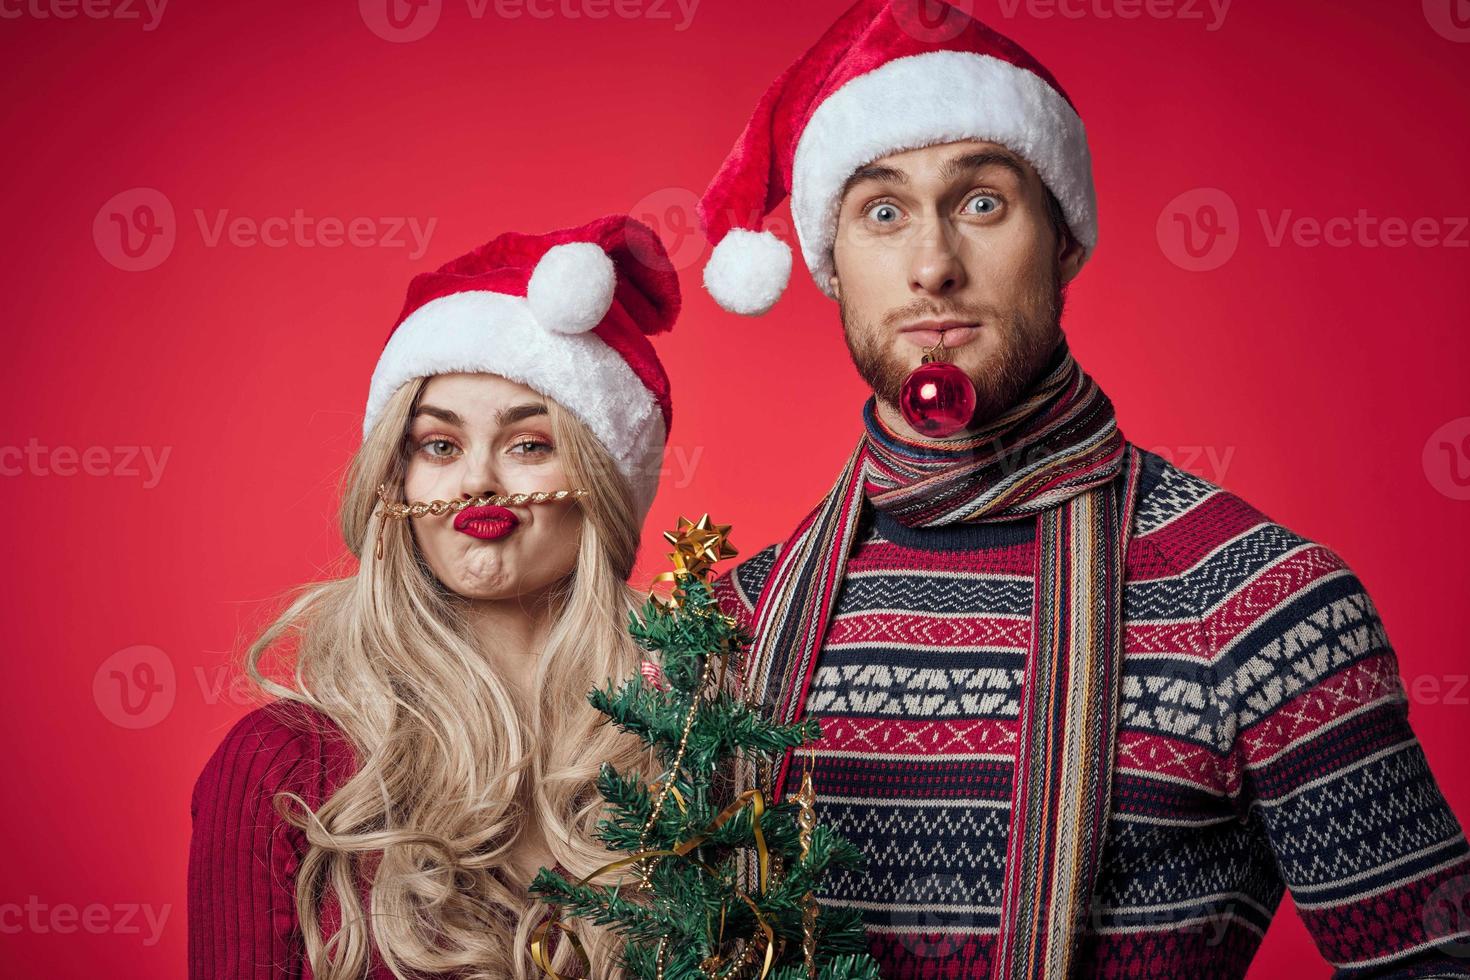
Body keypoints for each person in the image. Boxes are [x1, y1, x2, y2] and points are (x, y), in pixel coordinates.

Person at [696, 1, 1470, 976]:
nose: (933, 265)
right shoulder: (724, 629)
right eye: (882, 211)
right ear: (830, 264)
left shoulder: (1264, 608)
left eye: (982, 202)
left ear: (1065, 240)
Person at [187, 214, 680, 979]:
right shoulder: (284, 771)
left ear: (601, 487)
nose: (478, 480)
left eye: (530, 444)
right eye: (439, 446)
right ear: (397, 480)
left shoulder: (688, 746)